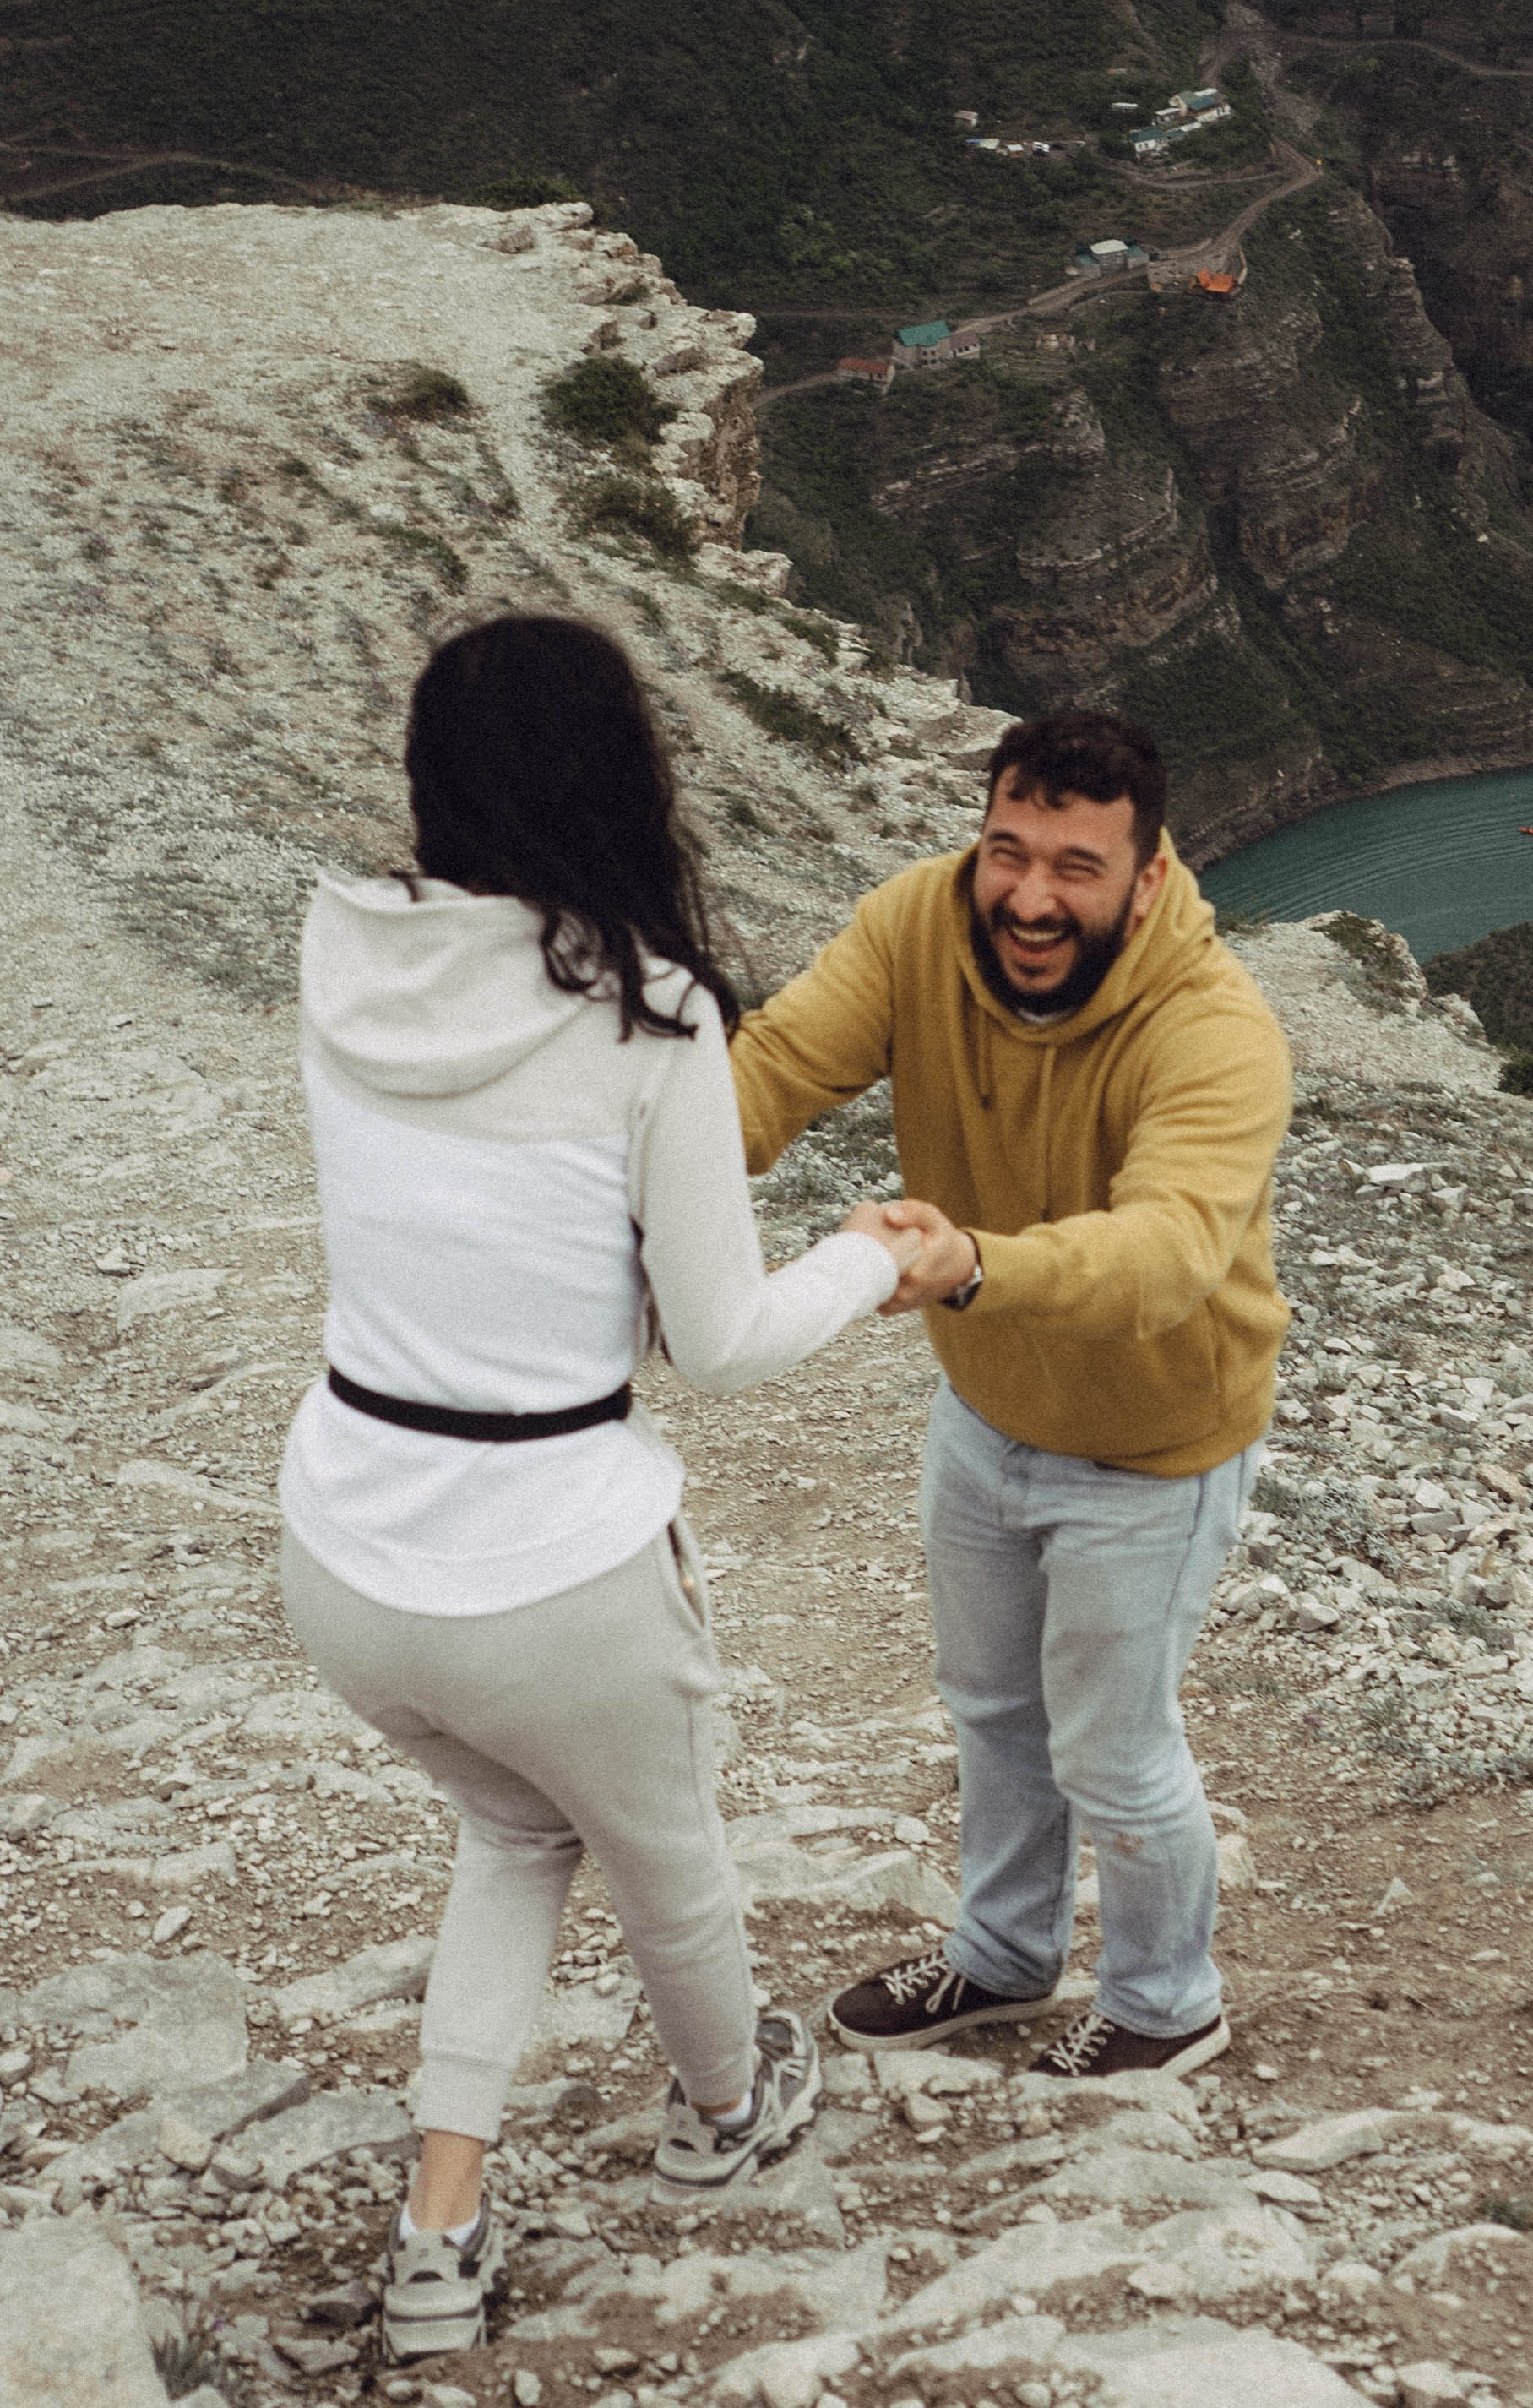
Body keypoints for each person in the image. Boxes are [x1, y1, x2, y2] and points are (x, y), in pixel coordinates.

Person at [277, 616, 921, 2363]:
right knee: (667, 1856)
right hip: (549, 1562)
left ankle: (442, 2226)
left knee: (515, 1827)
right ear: (617, 780)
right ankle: (726, 2109)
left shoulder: (343, 956)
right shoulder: (652, 1014)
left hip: (347, 1540)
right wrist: (870, 1256)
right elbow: (719, 1340)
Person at [729, 708, 1291, 2081]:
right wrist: (625, 1175)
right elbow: (772, 1070)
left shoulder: (1215, 1028)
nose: (1030, 898)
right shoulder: (918, 927)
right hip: (986, 1414)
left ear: (1147, 878)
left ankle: (1166, 1999)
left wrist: (974, 1263)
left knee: (1113, 1748)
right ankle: (1003, 1952)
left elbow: (1164, 1255)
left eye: (1077, 867)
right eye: (1008, 852)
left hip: (1153, 1448)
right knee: (991, 1707)